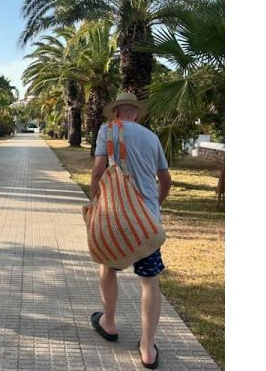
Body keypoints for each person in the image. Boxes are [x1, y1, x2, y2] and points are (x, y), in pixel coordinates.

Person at [88, 92, 171, 369]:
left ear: (116, 112)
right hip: (147, 221)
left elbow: (98, 171)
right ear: (135, 113)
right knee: (150, 279)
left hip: (117, 219)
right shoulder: (151, 137)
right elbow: (165, 179)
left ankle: (109, 322)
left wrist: (94, 202)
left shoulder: (107, 131)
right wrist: (154, 205)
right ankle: (147, 348)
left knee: (109, 267)